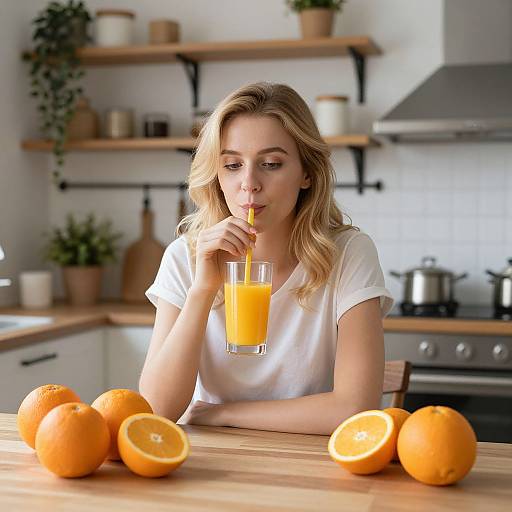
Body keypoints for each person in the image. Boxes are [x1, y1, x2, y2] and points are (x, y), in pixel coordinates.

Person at [140, 82, 393, 435]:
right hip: (207, 468)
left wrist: (222, 413)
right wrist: (202, 290)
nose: (249, 183)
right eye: (231, 164)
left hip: (310, 467)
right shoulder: (185, 257)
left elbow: (356, 409)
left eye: (271, 164)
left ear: (307, 172)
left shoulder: (348, 254)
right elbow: (155, 409)